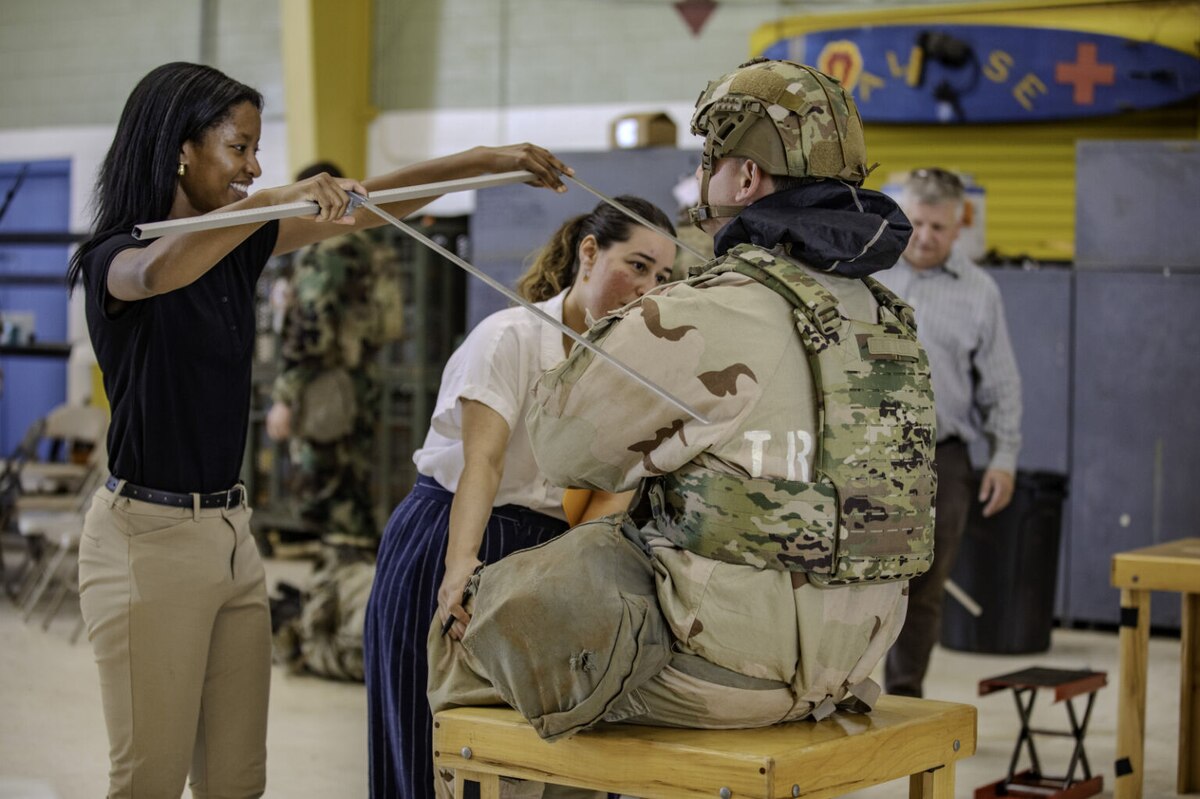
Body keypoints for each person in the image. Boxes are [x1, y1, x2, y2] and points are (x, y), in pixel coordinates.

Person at [425, 58, 936, 799]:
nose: (702, 177)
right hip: (855, 661)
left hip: (726, 672)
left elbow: (566, 449)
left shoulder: (710, 308)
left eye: (709, 160)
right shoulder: (888, 319)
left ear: (746, 178)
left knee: (477, 638)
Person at [66, 60, 569, 799]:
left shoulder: (237, 248)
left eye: (256, 150)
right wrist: (270, 201)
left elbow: (368, 207)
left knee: (237, 780)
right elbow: (154, 275)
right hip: (146, 541)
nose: (253, 166)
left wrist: (482, 162)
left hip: (230, 537)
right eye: (239, 148)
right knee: (149, 780)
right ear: (181, 150)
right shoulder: (117, 256)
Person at [363, 196, 677, 799]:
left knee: (540, 758)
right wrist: (461, 566)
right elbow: (483, 462)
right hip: (455, 532)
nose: (647, 288)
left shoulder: (629, 365)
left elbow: (618, 490)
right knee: (432, 744)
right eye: (636, 266)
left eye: (662, 276)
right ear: (590, 253)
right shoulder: (509, 337)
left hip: (548, 553)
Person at [875, 166, 1022, 698]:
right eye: (916, 222)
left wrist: (1004, 458)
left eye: (938, 227)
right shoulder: (869, 272)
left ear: (960, 226)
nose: (925, 236)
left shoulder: (981, 292)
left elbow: (1001, 383)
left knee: (925, 587)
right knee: (852, 578)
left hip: (944, 458)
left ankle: (904, 700)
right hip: (867, 452)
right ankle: (837, 692)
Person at [265, 160, 402, 555]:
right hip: (361, 381)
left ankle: (340, 582)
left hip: (326, 387)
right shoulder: (365, 242)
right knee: (352, 485)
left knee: (327, 493)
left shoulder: (323, 250)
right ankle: (348, 580)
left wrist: (284, 397)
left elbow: (313, 330)